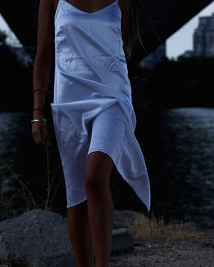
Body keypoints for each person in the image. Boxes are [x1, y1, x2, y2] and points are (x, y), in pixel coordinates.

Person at [31, 0, 151, 266]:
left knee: (94, 177)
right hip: (69, 102)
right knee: (76, 198)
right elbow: (43, 55)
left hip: (112, 100)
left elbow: (117, 47)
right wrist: (37, 111)